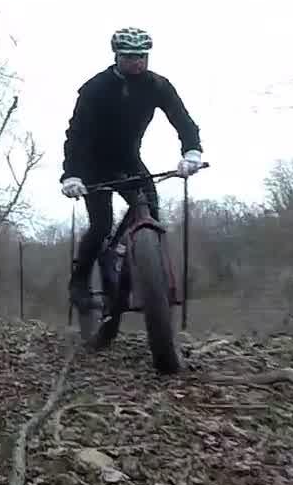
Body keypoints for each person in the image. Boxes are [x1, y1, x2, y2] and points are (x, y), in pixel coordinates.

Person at [58, 26, 204, 312]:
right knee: (100, 225)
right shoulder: (95, 88)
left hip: (128, 161)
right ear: (117, 56)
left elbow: (182, 119)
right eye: (129, 56)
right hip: (92, 164)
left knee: (150, 210)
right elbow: (75, 133)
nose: (137, 61)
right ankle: (79, 283)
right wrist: (71, 173)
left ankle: (141, 269)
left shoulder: (157, 85)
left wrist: (192, 151)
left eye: (142, 55)